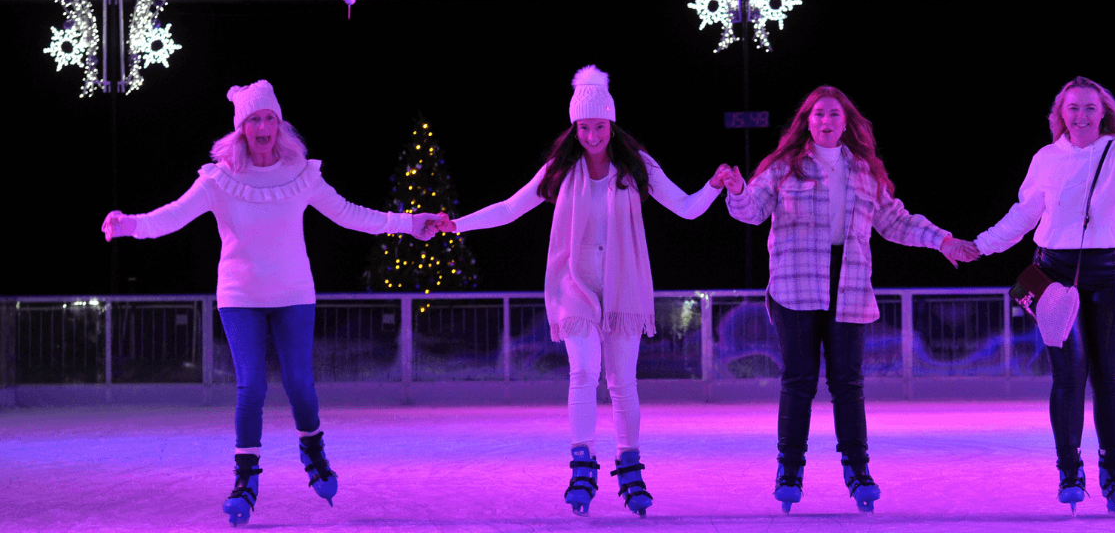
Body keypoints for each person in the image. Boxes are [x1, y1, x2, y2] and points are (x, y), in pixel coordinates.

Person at [100, 81, 444, 526]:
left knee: (300, 383)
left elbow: (352, 214)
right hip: (239, 296)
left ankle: (314, 452)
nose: (262, 126)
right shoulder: (219, 179)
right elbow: (172, 216)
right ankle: (245, 481)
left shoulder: (301, 174)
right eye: (253, 119)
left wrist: (411, 223)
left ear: (278, 125)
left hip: (294, 294)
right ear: (241, 128)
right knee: (252, 387)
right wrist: (130, 225)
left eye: (269, 118)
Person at [438, 65, 734, 517]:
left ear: (611, 124)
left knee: (621, 382)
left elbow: (688, 209)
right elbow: (510, 208)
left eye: (598, 126)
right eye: (583, 127)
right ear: (574, 127)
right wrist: (457, 224)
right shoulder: (561, 169)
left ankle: (630, 466)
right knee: (582, 374)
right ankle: (581, 462)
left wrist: (715, 187)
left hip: (624, 287)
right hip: (572, 285)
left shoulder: (637, 167)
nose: (591, 135)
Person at [721, 85, 979, 514]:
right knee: (798, 381)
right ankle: (789, 471)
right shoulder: (785, 167)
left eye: (834, 116)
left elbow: (895, 221)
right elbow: (750, 210)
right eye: (818, 114)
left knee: (848, 384)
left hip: (850, 287)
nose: (826, 122)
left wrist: (943, 241)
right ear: (807, 121)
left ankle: (858, 470)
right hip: (796, 287)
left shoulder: (862, 171)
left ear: (846, 123)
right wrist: (735, 189)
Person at [973, 76, 1115, 517]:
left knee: (1110, 378)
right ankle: (1069, 470)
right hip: (1052, 273)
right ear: (1061, 114)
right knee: (1069, 373)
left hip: (1109, 271)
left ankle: (1114, 472)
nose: (1080, 115)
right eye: (1072, 108)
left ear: (1103, 113)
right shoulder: (1046, 158)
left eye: (1089, 108)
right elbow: (1024, 213)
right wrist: (981, 244)